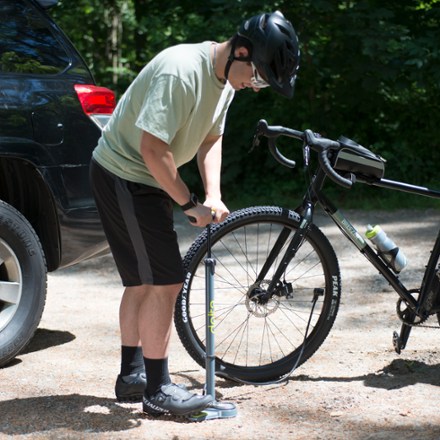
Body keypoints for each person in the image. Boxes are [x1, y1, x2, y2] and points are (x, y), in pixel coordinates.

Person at [90, 10, 300, 417]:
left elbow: (211, 138)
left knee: (143, 281)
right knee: (166, 280)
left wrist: (213, 193)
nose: (256, 88)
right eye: (258, 76)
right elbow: (153, 148)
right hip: (126, 172)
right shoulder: (181, 72)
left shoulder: (226, 81)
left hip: (143, 175)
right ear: (241, 50)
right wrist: (188, 203)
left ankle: (133, 376)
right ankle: (158, 391)